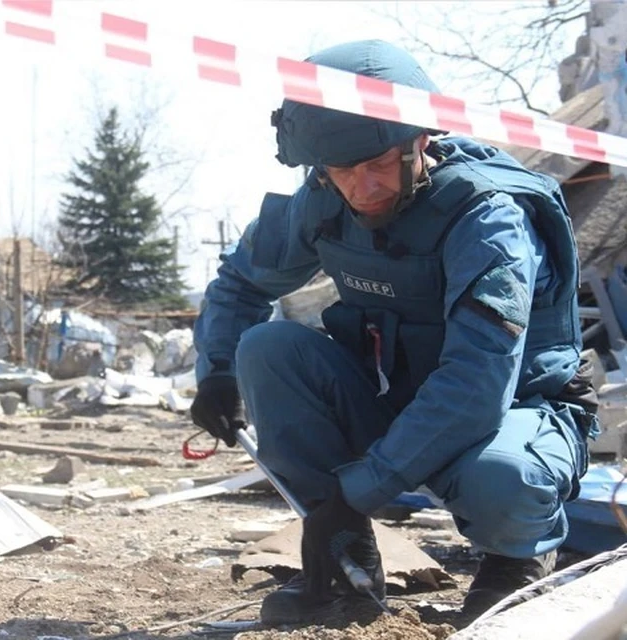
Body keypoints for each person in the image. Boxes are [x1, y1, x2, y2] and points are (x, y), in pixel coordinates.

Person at [189, 39, 599, 626]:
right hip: (399, 402)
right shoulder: (324, 198)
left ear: (420, 141)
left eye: (379, 164)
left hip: (512, 413)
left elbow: (477, 381)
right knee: (267, 350)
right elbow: (241, 283)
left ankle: (513, 566)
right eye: (342, 172)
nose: (364, 187)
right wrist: (219, 372)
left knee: (502, 479)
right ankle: (344, 563)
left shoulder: (489, 218)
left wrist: (358, 489)